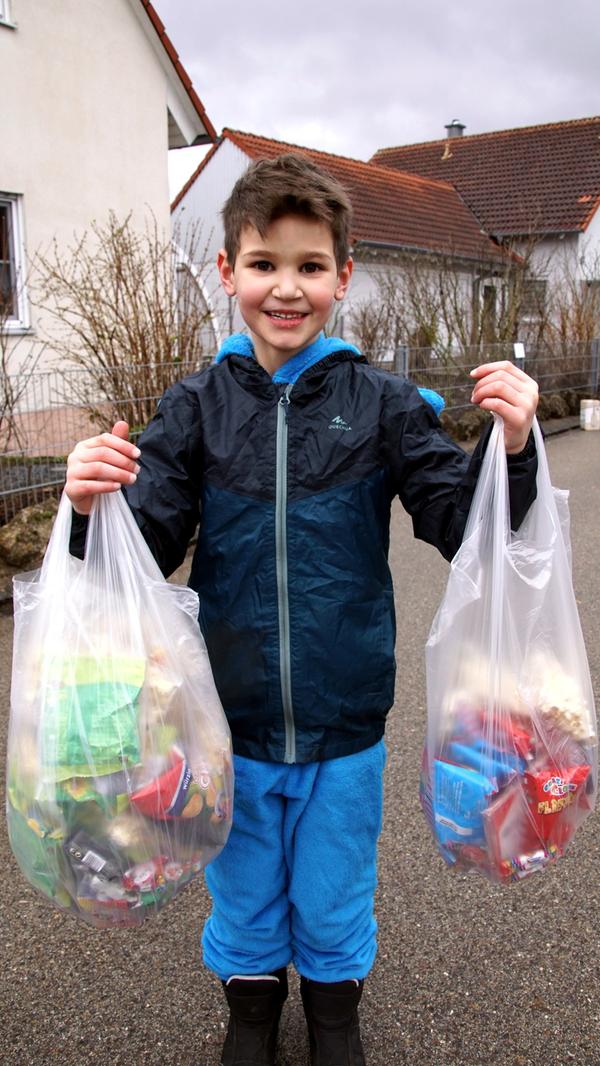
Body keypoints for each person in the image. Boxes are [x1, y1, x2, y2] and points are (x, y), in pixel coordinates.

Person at [66, 154, 539, 1066]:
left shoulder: (385, 405)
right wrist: (91, 510)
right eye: (264, 264)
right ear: (227, 272)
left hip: (345, 720)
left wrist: (513, 450)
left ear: (344, 275)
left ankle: (332, 1013)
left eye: (310, 266)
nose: (286, 288)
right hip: (229, 724)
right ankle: (250, 1015)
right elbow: (147, 533)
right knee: (243, 888)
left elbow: (461, 521)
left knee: (332, 888)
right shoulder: (196, 407)